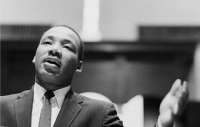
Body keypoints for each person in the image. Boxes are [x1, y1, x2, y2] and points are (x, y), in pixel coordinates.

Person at [0, 25, 189, 127]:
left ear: (79, 65)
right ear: (35, 56)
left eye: (66, 47)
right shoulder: (3, 107)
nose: (55, 50)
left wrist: (164, 122)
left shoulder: (99, 113)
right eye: (48, 42)